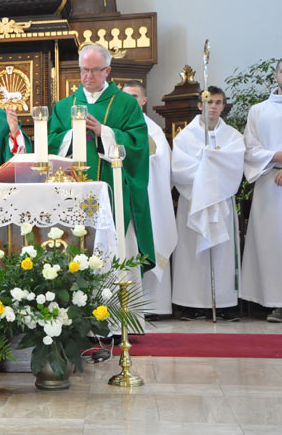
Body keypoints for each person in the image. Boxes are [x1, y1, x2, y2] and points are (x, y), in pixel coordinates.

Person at [47, 44, 156, 282]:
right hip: (72, 194)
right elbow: (49, 144)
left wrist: (103, 132)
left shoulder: (126, 103)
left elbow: (138, 144)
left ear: (107, 70)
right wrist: (72, 134)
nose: (88, 76)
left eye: (95, 70)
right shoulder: (64, 106)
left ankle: (120, 300)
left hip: (113, 191)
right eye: (83, 70)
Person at [171, 86, 245, 321]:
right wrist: (208, 167)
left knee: (222, 252)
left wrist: (212, 166)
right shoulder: (185, 136)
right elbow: (179, 169)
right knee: (193, 253)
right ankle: (191, 303)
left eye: (218, 102)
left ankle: (223, 303)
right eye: (209, 102)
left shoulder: (233, 136)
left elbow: (236, 167)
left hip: (221, 201)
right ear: (200, 105)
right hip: (195, 201)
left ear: (223, 106)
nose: (213, 106)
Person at [122, 80, 178, 319]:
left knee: (149, 242)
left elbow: (163, 165)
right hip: (124, 198)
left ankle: (155, 306)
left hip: (148, 199)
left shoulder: (152, 130)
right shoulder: (116, 126)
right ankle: (127, 306)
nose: (130, 101)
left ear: (144, 100)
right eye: (125, 97)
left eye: (134, 96)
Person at [240, 59, 282, 323]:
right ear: (276, 75)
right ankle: (276, 302)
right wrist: (276, 156)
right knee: (272, 244)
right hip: (269, 183)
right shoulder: (258, 111)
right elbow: (250, 149)